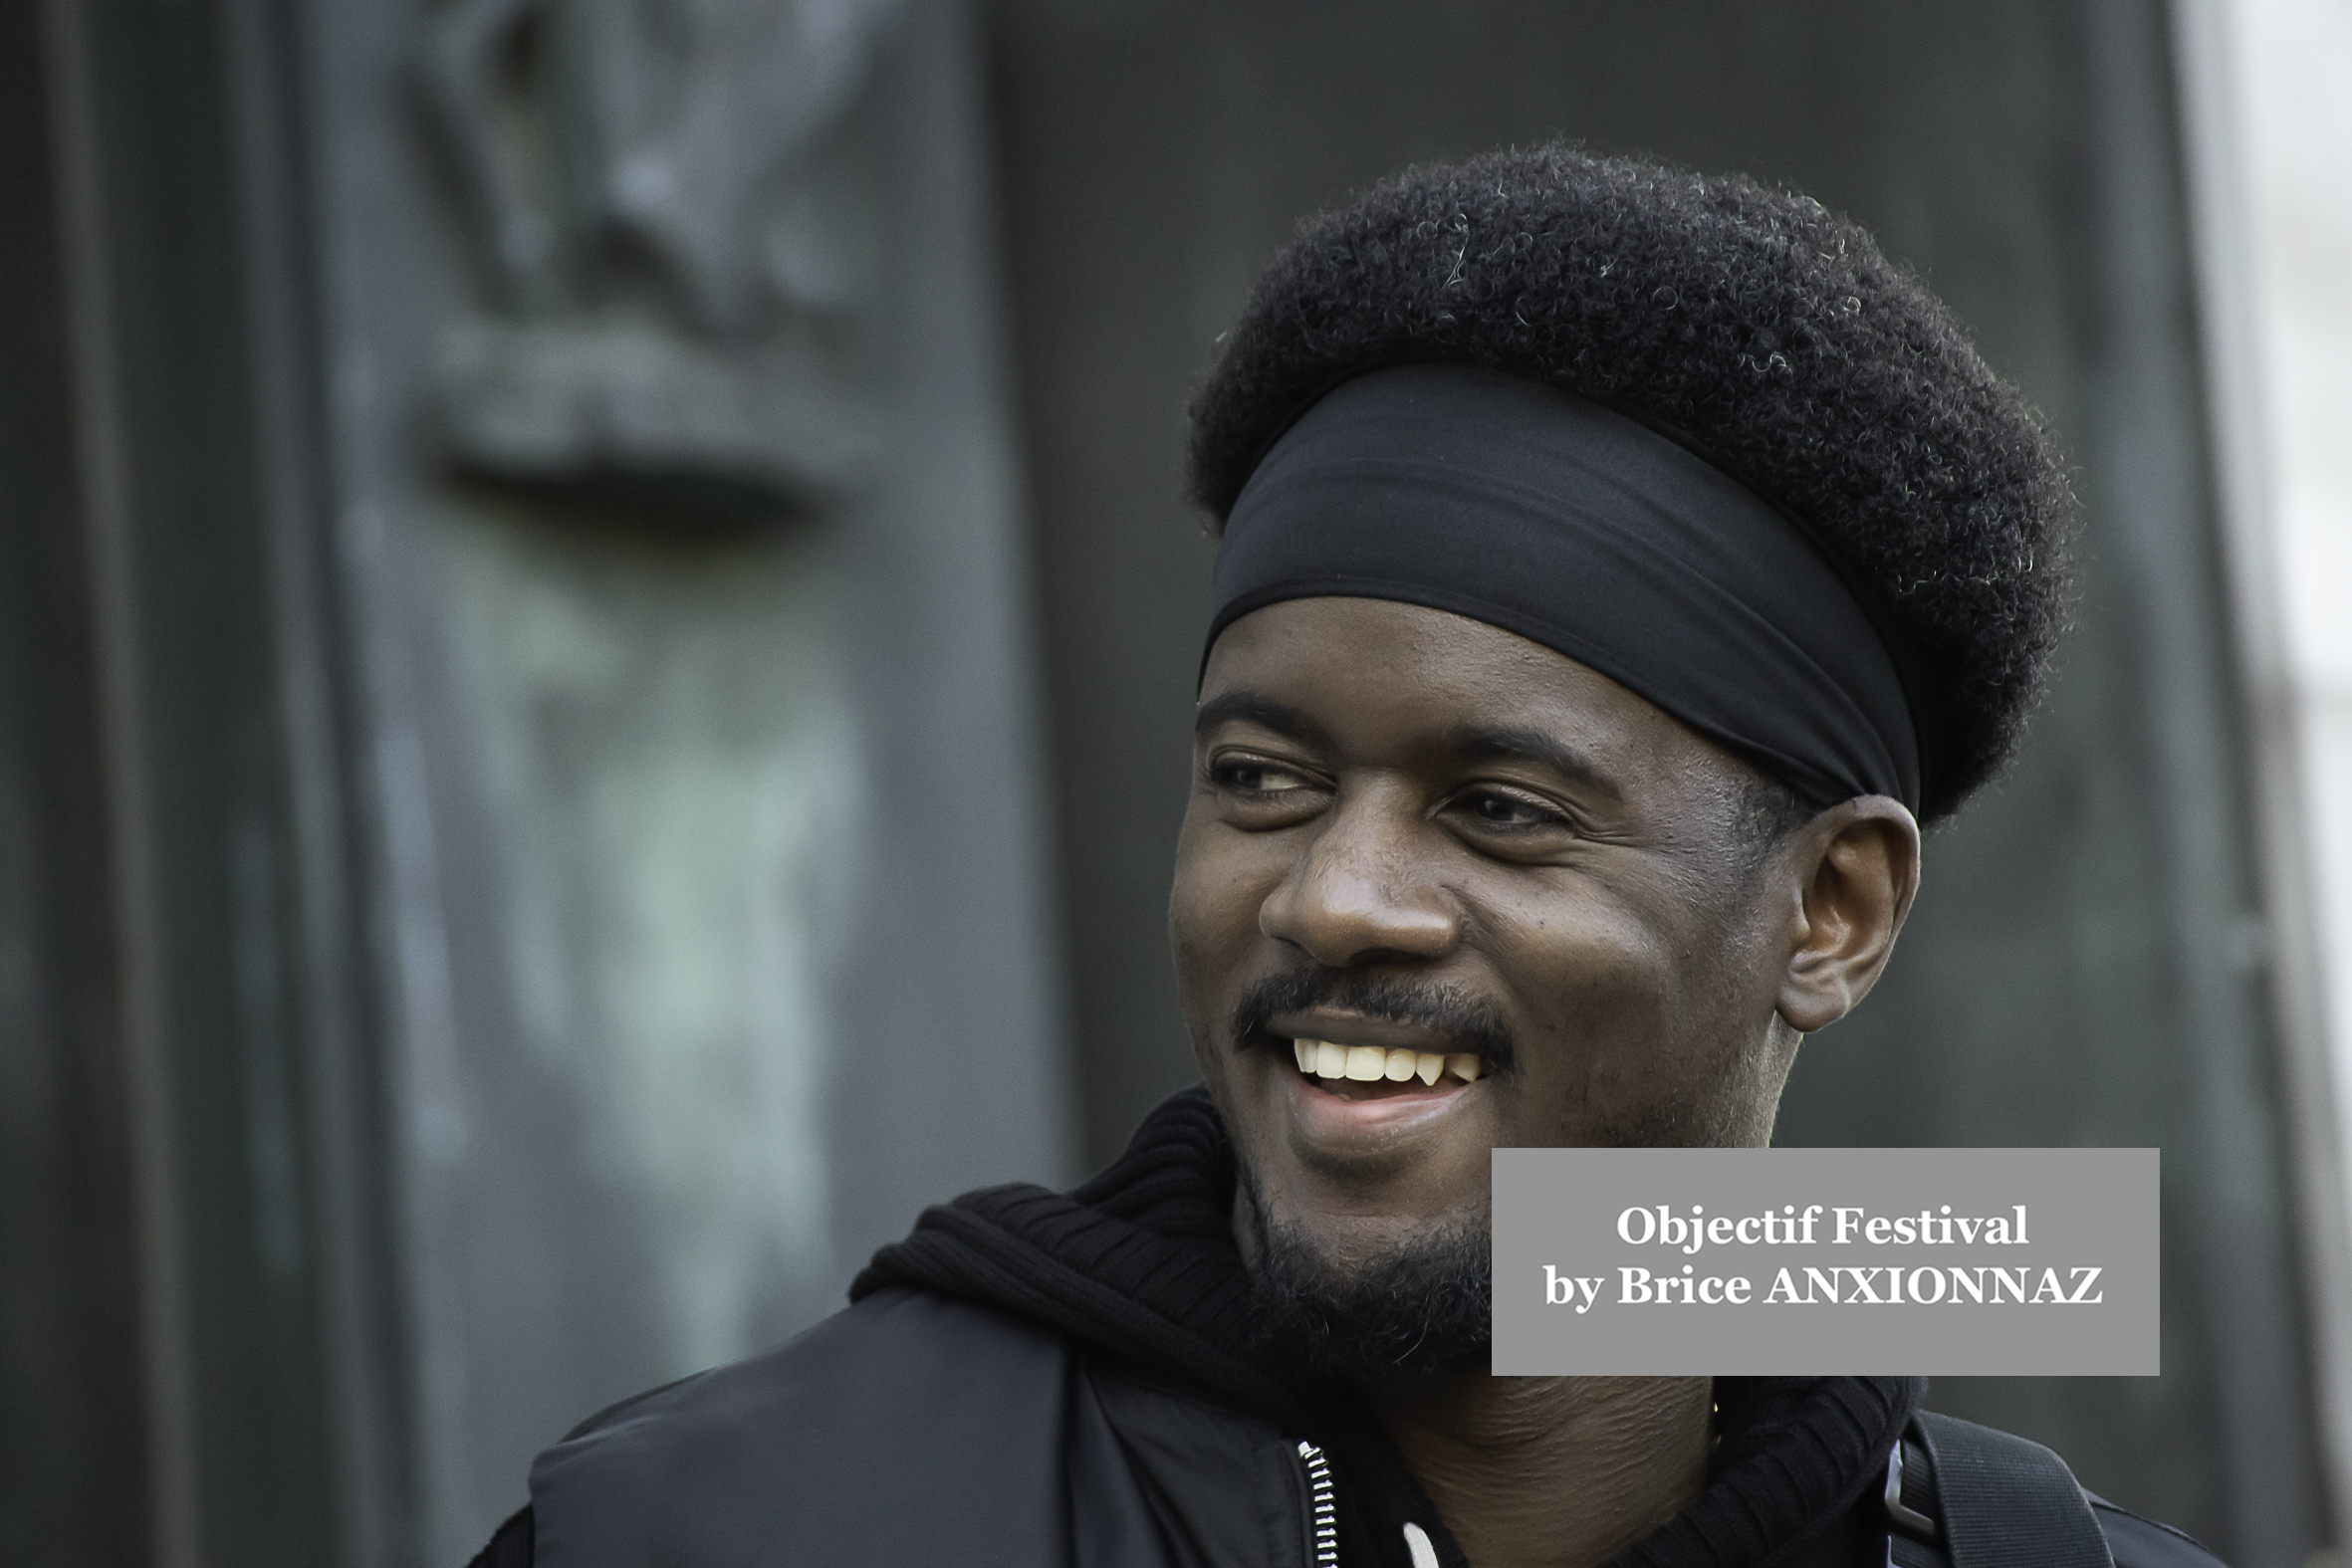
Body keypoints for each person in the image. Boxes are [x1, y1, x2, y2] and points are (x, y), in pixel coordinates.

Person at [471, 144, 2227, 1568]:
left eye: (1498, 807)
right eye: (1261, 779)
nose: (1329, 897)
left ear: (1829, 913)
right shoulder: (721, 1535)